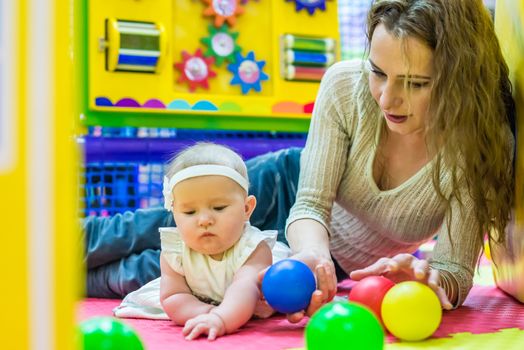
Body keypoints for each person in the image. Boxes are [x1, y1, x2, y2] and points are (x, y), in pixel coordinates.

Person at [84, 0, 516, 322]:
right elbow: (310, 203)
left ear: (458, 79)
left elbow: (455, 271)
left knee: (140, 275)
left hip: (318, 255)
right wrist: (315, 256)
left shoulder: (476, 149)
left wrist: (427, 280)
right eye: (378, 72)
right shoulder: (346, 87)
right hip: (282, 191)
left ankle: (36, 279)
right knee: (131, 231)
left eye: (416, 83)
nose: (387, 98)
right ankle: (23, 244)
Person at [113, 142, 290, 341]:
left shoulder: (255, 248)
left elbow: (245, 289)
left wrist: (221, 318)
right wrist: (206, 313)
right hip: (204, 299)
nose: (204, 220)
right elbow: (173, 297)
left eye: (219, 207)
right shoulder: (175, 251)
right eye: (189, 212)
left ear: (247, 208)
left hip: (246, 302)